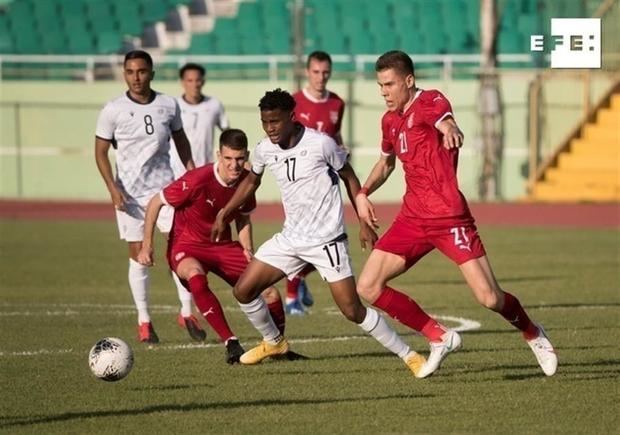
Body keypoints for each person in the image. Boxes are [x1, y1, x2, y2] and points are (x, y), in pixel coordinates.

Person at [354, 50, 558, 377]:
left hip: (449, 218)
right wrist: (363, 193)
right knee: (368, 287)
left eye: (389, 84)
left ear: (409, 81)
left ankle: (533, 332)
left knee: (490, 298)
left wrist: (449, 128)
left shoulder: (430, 100)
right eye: (380, 85)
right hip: (412, 218)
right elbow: (386, 163)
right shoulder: (389, 120)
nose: (384, 92)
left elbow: (444, 119)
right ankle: (439, 336)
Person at [211, 88, 429, 377]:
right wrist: (225, 212)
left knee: (353, 311)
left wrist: (363, 219)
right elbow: (252, 181)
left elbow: (348, 176)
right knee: (243, 290)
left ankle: (410, 355)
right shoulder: (265, 149)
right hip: (291, 238)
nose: (270, 128)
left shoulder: (321, 144)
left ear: (291, 116)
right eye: (265, 122)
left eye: (275, 121)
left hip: (327, 241)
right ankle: (274, 342)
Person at [137, 129, 289, 364]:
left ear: (246, 155)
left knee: (269, 292)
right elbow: (156, 202)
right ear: (219, 155)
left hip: (222, 246)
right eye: (228, 158)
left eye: (239, 159)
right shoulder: (197, 179)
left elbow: (243, 217)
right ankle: (231, 342)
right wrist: (147, 245)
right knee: (196, 276)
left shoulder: (247, 182)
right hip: (186, 245)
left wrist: (248, 249)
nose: (234, 165)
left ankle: (279, 347)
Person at [95, 50, 206, 344]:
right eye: (130, 72)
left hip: (165, 192)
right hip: (130, 196)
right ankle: (144, 321)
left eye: (142, 71)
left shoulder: (168, 105)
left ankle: (186, 312)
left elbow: (181, 140)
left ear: (152, 73)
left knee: (181, 253)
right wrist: (112, 188)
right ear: (124, 74)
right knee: (139, 257)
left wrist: (191, 174)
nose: (136, 78)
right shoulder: (112, 110)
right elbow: (100, 152)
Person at [285, 51, 347, 315]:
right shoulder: (294, 102)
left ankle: (296, 285)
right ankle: (291, 295)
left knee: (336, 240)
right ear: (307, 73)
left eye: (325, 72)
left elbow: (336, 135)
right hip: (300, 184)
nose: (321, 77)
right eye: (316, 72)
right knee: (302, 239)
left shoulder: (337, 103)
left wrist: (342, 151)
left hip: (328, 184)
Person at [170, 63, 229, 178]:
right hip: (177, 173)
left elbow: (227, 134)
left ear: (203, 81)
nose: (194, 85)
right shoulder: (173, 106)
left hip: (205, 171)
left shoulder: (214, 104)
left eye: (197, 80)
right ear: (182, 82)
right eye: (190, 80)